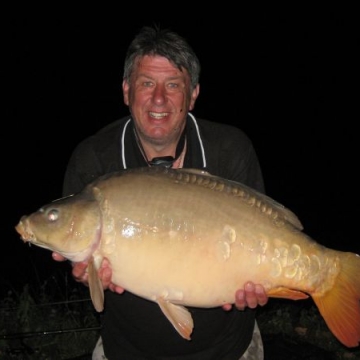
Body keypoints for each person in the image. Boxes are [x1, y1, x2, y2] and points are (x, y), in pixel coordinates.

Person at [53, 25, 269, 360]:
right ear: (126, 90)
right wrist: (86, 274)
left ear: (193, 94)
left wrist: (263, 283)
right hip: (127, 350)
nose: (158, 99)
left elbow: (263, 236)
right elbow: (88, 272)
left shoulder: (231, 150)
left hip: (228, 348)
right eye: (146, 84)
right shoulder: (93, 159)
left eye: (173, 85)